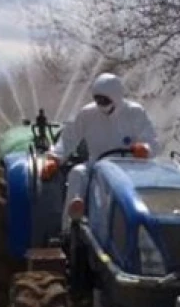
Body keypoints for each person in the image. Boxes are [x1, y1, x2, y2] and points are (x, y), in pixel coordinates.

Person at [41, 72, 161, 227]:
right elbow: (68, 138)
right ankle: (69, 227)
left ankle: (145, 224)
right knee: (77, 173)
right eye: (98, 99)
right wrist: (54, 158)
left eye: (105, 100)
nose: (101, 103)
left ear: (116, 97)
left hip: (129, 168)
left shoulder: (135, 112)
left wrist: (145, 149)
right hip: (96, 166)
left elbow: (153, 142)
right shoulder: (87, 113)